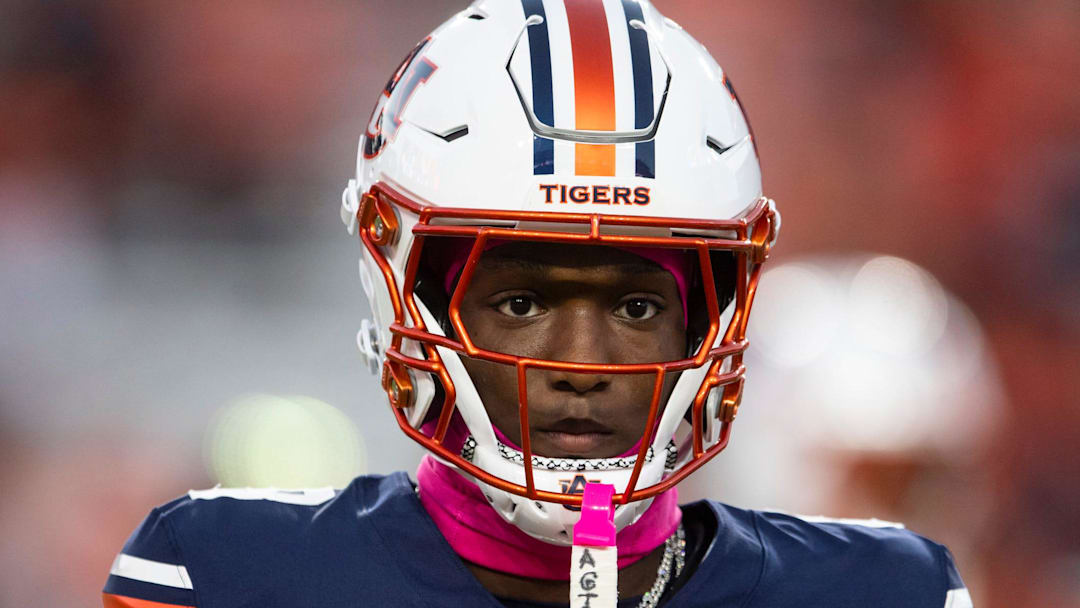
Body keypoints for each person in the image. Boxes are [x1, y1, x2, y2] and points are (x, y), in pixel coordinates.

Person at [102, 1, 972, 606]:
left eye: (636, 308)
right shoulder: (224, 574)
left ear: (713, 315)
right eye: (520, 301)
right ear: (409, 290)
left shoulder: (884, 591)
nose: (583, 365)